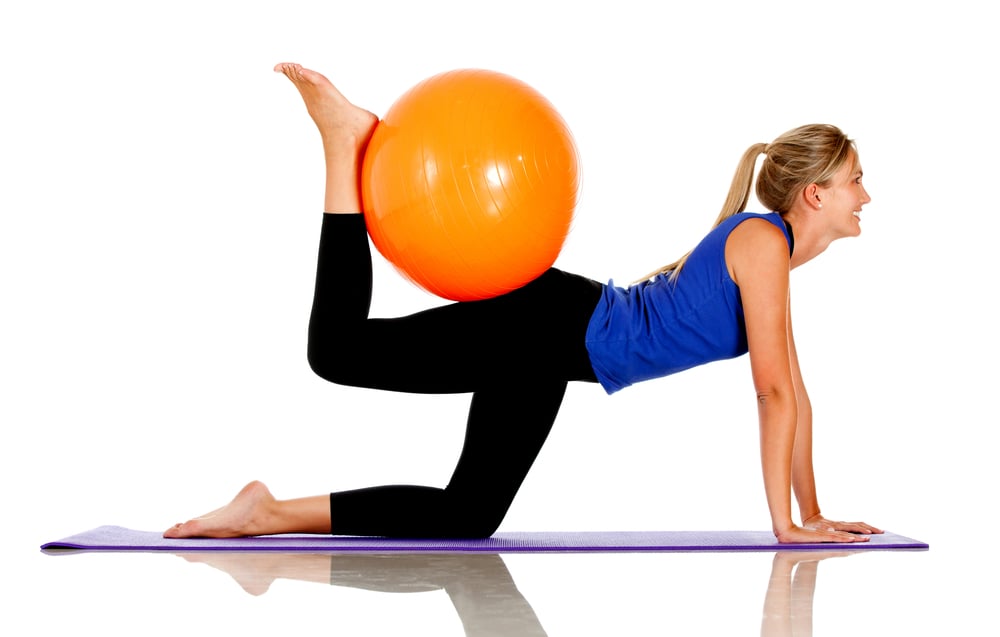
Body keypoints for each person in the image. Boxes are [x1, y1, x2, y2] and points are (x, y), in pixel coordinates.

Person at [164, 63, 882, 544]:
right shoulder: (762, 242)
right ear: (814, 192)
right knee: (338, 349)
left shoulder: (773, 254)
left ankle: (267, 510)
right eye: (856, 180)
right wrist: (787, 525)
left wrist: (811, 514)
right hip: (546, 323)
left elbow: (797, 395)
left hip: (554, 347)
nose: (866, 196)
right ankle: (342, 145)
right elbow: (774, 391)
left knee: (468, 514)